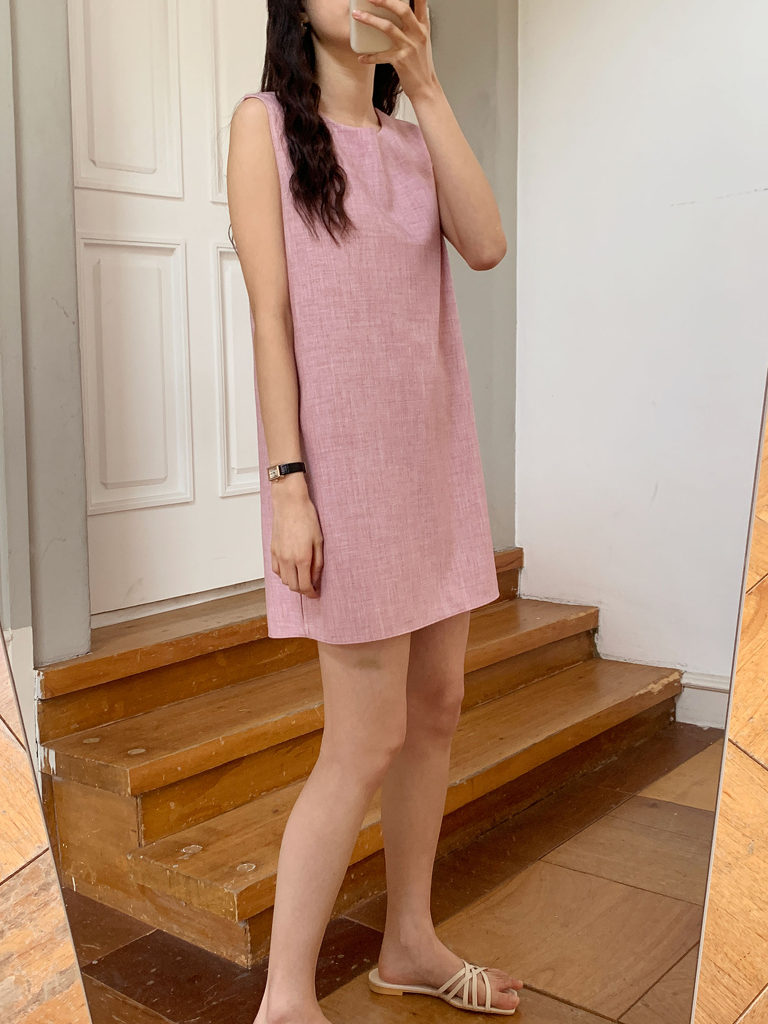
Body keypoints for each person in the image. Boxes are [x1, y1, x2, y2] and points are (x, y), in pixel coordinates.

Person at [226, 1, 523, 1020]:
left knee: (436, 708)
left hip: (434, 464)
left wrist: (426, 83)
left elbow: (486, 243)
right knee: (360, 741)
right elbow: (270, 318)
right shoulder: (263, 128)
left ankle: (408, 941)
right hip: (343, 479)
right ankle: (285, 999)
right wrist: (289, 486)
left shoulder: (410, 137)